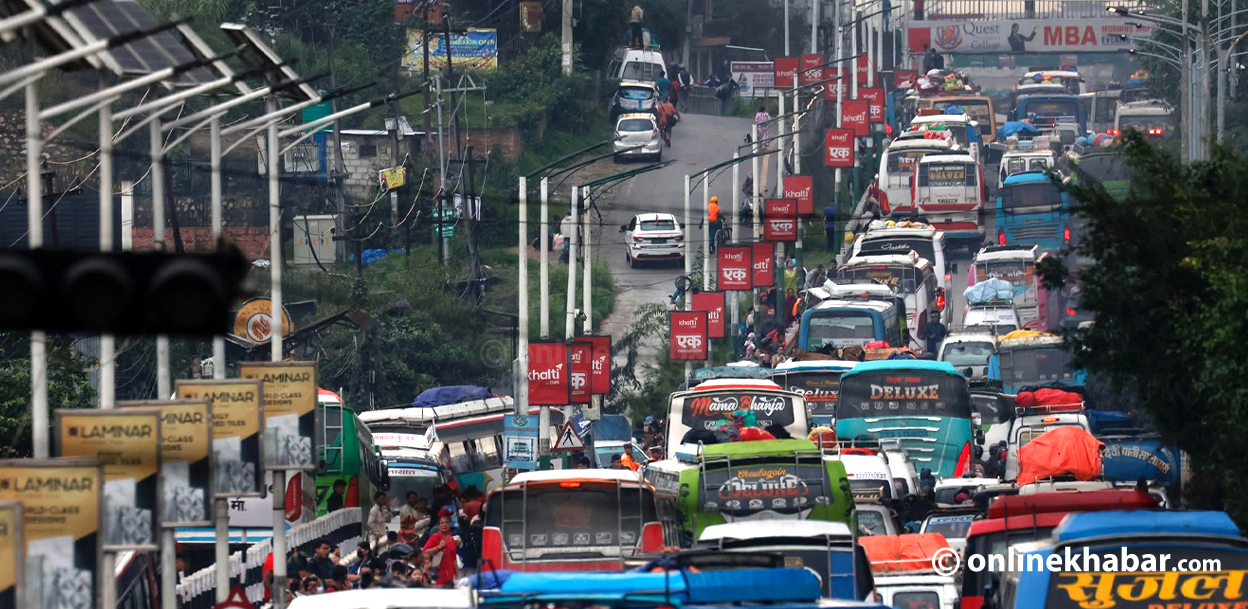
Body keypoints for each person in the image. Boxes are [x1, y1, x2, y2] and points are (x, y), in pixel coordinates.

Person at [421, 515, 459, 587]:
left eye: (446, 523)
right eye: (442, 523)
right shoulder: (435, 537)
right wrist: (439, 547)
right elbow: (425, 552)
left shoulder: (452, 539)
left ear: (450, 525)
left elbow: (454, 558)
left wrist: (456, 573)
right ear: (438, 526)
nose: (444, 525)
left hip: (449, 572)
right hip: (437, 571)